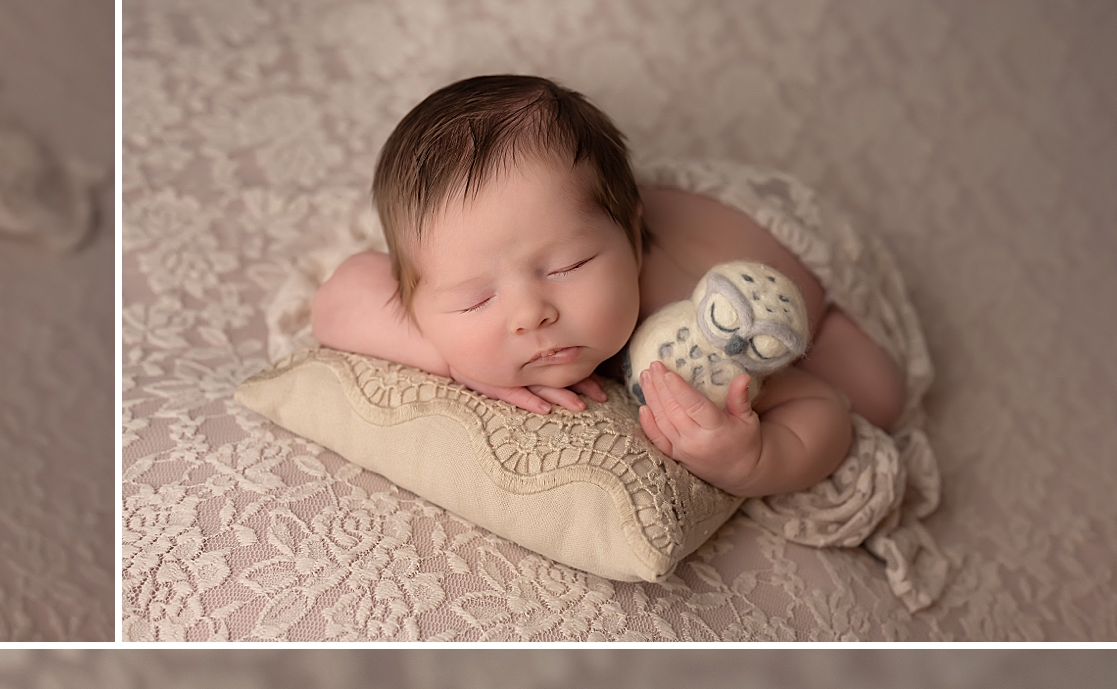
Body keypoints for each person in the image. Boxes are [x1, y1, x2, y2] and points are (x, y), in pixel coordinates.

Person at [310, 74, 908, 499]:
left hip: (778, 246)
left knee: (878, 398)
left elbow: (817, 408)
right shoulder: (456, 273)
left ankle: (826, 316)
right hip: (625, 215)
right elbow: (337, 299)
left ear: (629, 234)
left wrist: (752, 459)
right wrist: (453, 354)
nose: (529, 314)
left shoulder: (692, 326)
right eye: (474, 298)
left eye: (568, 267)